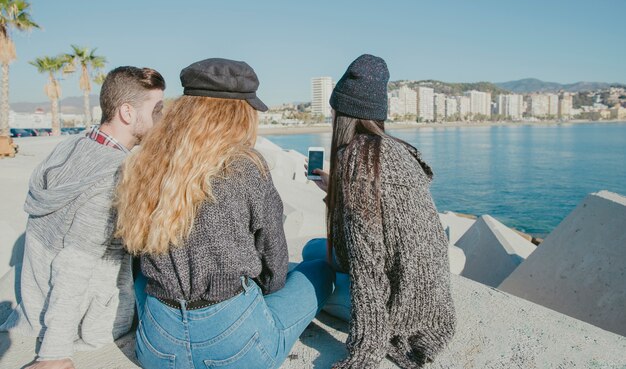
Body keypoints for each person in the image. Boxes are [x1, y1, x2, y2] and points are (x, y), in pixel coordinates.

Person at [114, 58, 335, 369]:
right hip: (234, 347)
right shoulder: (245, 165)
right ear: (236, 114)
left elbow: (136, 255)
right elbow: (273, 258)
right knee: (317, 271)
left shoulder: (145, 162)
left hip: (157, 347)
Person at [0, 66, 166, 369]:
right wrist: (54, 353)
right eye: (157, 110)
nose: (162, 118)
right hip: (89, 322)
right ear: (127, 113)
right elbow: (75, 264)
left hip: (34, 301)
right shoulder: (114, 175)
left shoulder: (70, 148)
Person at [303, 54, 456, 369]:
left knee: (311, 261)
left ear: (341, 114)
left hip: (401, 306)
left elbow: (365, 266)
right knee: (315, 249)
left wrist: (363, 353)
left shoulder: (355, 161)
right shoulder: (397, 150)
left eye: (333, 111)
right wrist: (336, 192)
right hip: (432, 293)